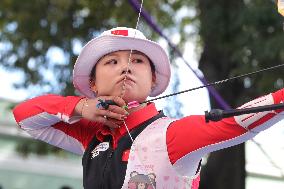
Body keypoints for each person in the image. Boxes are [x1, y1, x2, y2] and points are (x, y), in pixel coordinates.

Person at [13, 27, 284, 189]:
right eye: (111, 62)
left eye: (138, 60)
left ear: (153, 79)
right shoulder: (91, 137)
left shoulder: (171, 136)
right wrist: (81, 107)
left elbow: (239, 123)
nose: (126, 67)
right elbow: (25, 116)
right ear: (93, 84)